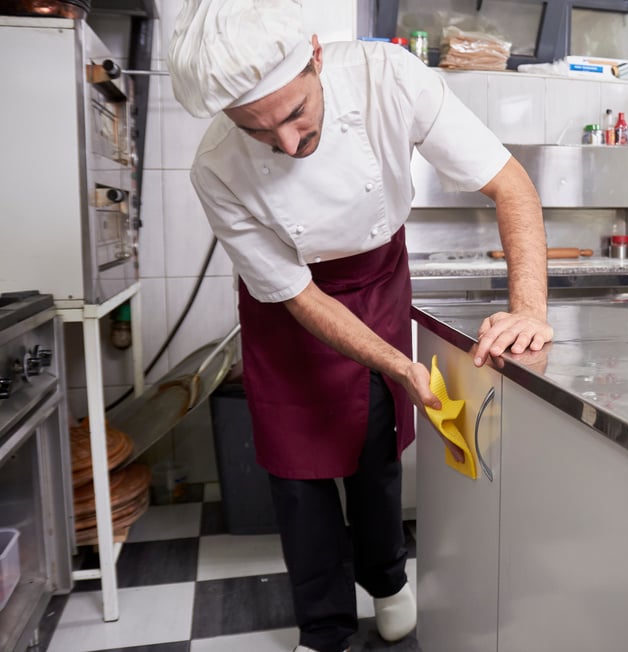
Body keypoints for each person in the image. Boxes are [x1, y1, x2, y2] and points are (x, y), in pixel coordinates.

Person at [166, 1, 553, 651]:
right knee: (297, 474)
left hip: (375, 281)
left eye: (294, 114)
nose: (288, 144)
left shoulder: (388, 78)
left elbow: (510, 184)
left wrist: (529, 308)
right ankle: (322, 624)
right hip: (290, 308)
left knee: (374, 447)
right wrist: (401, 364)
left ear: (316, 56)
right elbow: (297, 296)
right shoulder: (215, 169)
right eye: (260, 132)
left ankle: (387, 581)